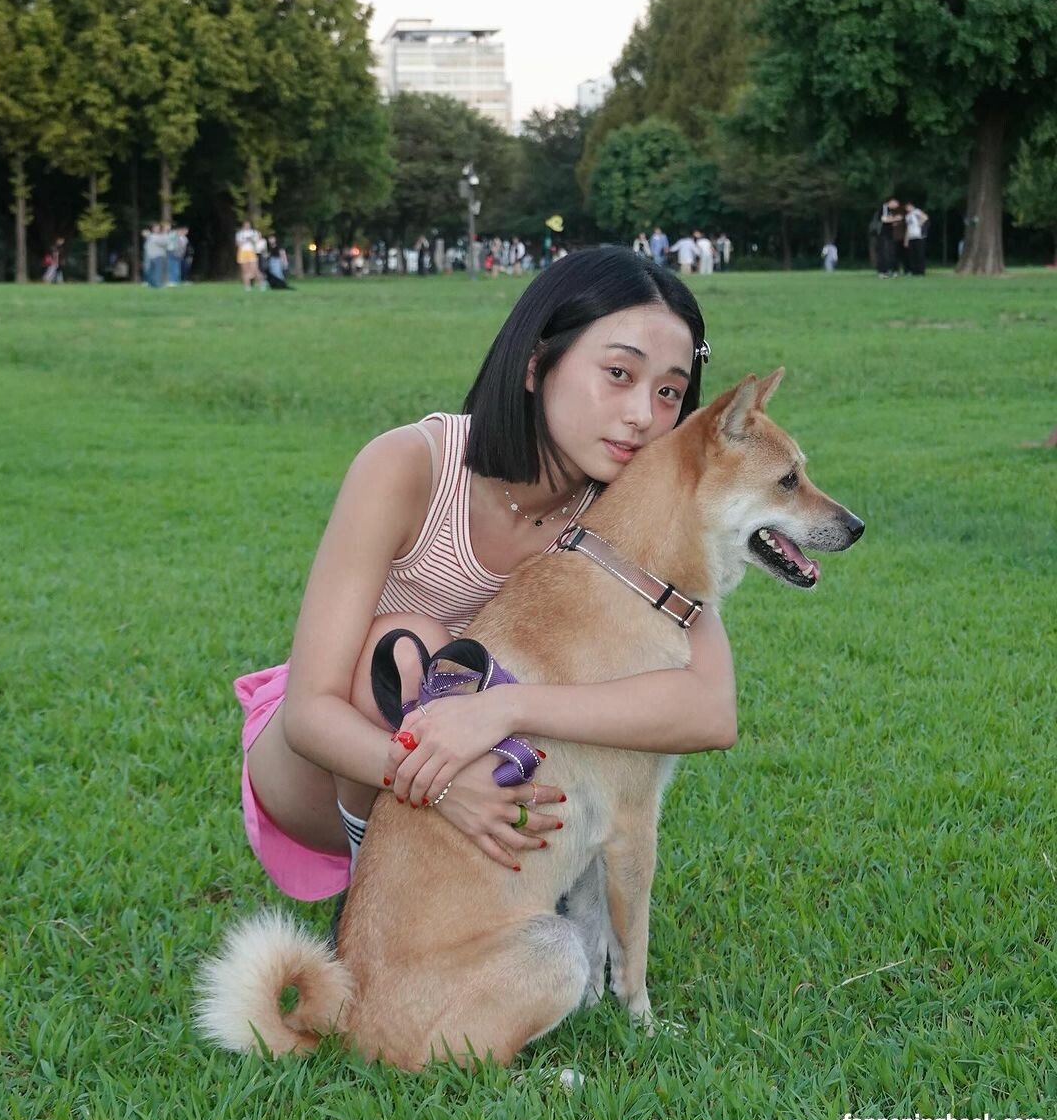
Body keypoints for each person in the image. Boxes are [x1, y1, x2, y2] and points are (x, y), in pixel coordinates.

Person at [237, 248, 735, 902]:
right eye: (619, 373)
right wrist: (445, 783)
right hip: (334, 764)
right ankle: (372, 893)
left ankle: (492, 888)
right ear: (535, 363)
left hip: (487, 748)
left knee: (556, 673)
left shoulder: (634, 511)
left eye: (668, 391)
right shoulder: (409, 466)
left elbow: (710, 709)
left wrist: (508, 707)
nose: (643, 414)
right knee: (407, 644)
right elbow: (310, 714)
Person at [877, 198, 903, 278]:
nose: (897, 205)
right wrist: (896, 219)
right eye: (896, 203)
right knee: (884, 253)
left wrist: (895, 221)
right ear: (891, 202)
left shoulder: (891, 210)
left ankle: (894, 270)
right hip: (883, 235)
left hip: (891, 235)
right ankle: (883, 272)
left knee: (892, 252)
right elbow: (884, 220)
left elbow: (890, 221)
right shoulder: (884, 208)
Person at [903, 202, 929, 276]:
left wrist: (920, 223)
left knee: (919, 254)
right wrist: (906, 240)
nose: (907, 208)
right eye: (906, 207)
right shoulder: (907, 216)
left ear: (912, 206)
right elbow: (908, 228)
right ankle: (914, 271)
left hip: (919, 236)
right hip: (911, 237)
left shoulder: (917, 211)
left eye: (908, 207)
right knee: (912, 255)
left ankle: (921, 271)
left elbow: (925, 217)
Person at [236, 220, 262, 290]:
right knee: (245, 270)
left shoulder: (254, 232)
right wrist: (244, 241)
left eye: (248, 224)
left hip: (251, 252)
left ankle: (261, 284)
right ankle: (247, 286)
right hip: (242, 252)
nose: (247, 226)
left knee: (255, 269)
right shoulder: (240, 233)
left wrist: (251, 240)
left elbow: (257, 241)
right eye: (245, 224)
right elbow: (238, 244)